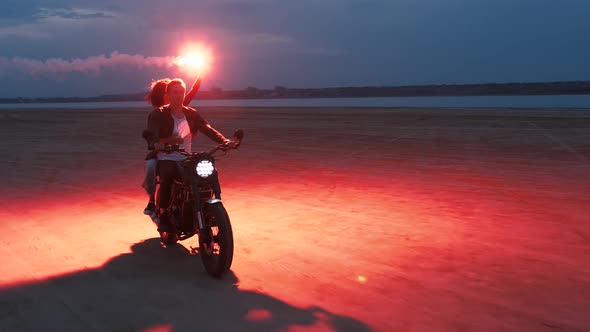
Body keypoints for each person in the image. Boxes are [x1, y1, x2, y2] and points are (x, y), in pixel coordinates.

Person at [145, 78, 237, 232]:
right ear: (168, 94)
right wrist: (158, 144)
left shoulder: (191, 113)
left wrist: (224, 141)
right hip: (166, 157)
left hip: (185, 157)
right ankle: (164, 213)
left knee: (209, 173)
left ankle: (212, 208)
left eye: (181, 92)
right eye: (175, 92)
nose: (179, 95)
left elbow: (206, 127)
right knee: (168, 173)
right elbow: (151, 135)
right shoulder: (158, 114)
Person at [141, 75, 202, 215]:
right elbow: (152, 136)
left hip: (181, 152)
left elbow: (192, 91)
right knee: (150, 167)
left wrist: (200, 76)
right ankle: (151, 200)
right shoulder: (158, 113)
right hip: (162, 152)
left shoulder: (181, 104)